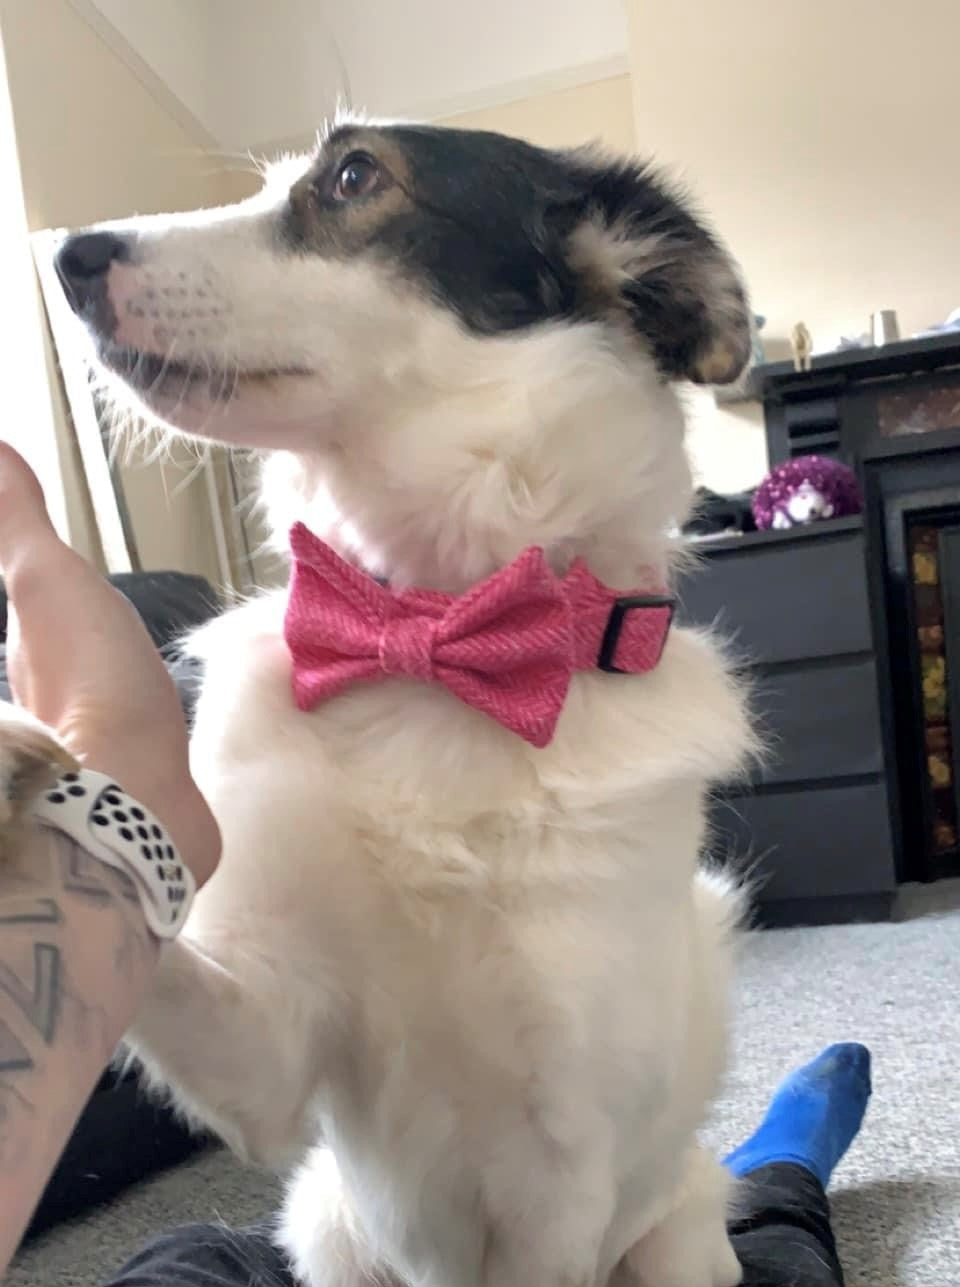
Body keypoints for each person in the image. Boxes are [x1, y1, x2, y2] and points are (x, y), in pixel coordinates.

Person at [0, 443, 871, 1287]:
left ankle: (771, 1168)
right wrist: (104, 854)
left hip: (621, 1224)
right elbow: (260, 1097)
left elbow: (563, 1209)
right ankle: (785, 1163)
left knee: (193, 1257)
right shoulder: (268, 712)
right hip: (379, 1230)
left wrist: (103, 830)